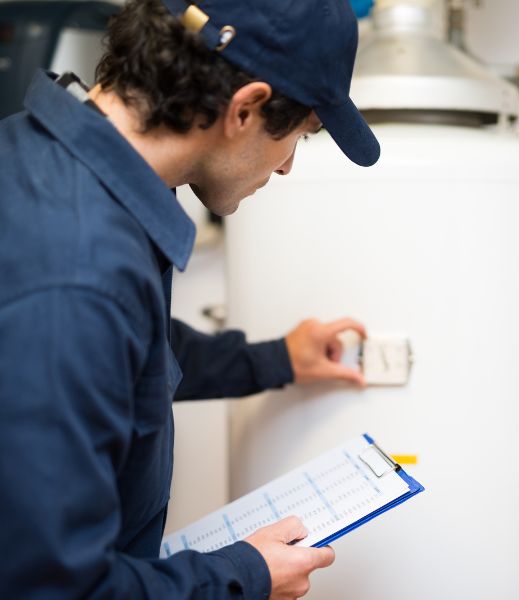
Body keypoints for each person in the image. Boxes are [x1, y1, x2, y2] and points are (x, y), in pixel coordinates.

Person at [0, 0, 380, 598]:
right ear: (246, 108)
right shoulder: (77, 272)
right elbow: (51, 586)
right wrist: (245, 575)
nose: (285, 169)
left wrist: (276, 359)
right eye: (300, 136)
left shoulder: (43, 163)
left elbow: (124, 353)